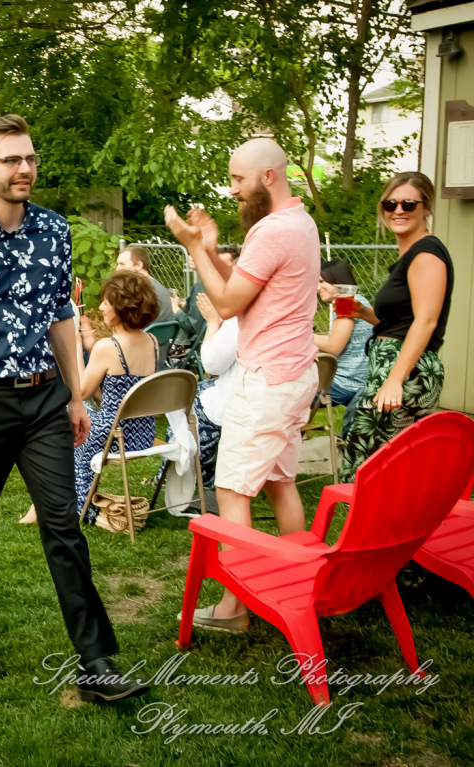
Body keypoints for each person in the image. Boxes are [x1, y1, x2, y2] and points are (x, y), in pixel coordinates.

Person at [0, 114, 147, 703]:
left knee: (63, 523)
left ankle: (96, 663)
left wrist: (75, 394)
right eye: (12, 159)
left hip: (44, 399)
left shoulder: (53, 230)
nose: (25, 168)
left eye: (31, 158)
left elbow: (62, 317)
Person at [165, 137, 319, 633]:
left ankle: (236, 607)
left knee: (232, 490)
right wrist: (211, 251)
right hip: (294, 375)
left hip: (268, 381)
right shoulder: (300, 222)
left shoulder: (271, 231)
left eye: (238, 179)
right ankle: (301, 586)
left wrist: (194, 248)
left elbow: (228, 304)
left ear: (268, 177)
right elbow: (246, 289)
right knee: (279, 482)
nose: (232, 189)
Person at [339, 171, 453, 483]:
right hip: (396, 364)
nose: (398, 210)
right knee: (385, 466)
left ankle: (364, 516)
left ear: (427, 208)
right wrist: (364, 313)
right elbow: (401, 324)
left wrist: (394, 379)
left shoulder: (426, 254)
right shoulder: (411, 256)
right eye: (390, 204)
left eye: (408, 204)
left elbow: (426, 321)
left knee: (366, 466)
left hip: (405, 370)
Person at [74, 271, 161, 531]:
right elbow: (118, 396)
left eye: (106, 302)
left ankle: (75, 504)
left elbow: (81, 392)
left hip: (112, 435)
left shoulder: (109, 347)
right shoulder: (152, 341)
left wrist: (76, 349)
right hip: (141, 434)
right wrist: (91, 347)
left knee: (65, 412)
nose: (101, 307)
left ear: (122, 307)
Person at [158, 293, 240, 492]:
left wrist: (212, 323)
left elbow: (211, 364)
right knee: (198, 388)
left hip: (237, 403)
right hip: (278, 399)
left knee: (184, 401)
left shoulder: (240, 320)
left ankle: (184, 472)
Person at [313, 259, 372, 435]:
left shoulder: (346, 303)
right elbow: (337, 338)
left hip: (346, 383)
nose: (317, 287)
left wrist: (301, 337)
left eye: (322, 281)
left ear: (338, 281)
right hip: (359, 379)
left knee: (285, 393)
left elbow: (334, 346)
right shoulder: (358, 301)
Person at [116, 246, 175, 324]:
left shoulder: (141, 290)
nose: (117, 269)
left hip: (146, 331)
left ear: (138, 265)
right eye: (118, 264)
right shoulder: (156, 285)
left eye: (122, 264)